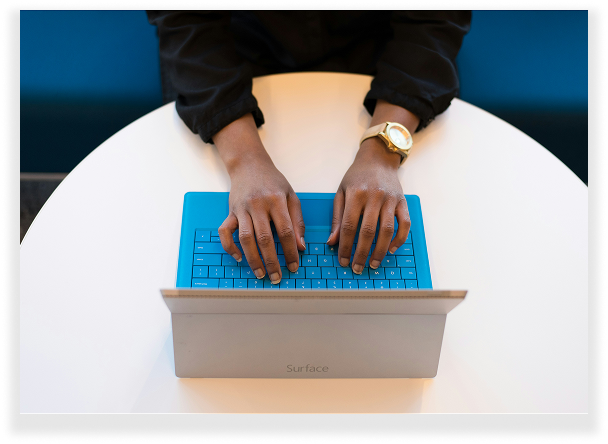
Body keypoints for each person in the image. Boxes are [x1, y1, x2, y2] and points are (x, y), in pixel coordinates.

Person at [147, 11, 471, 285]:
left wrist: (381, 154)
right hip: (231, 59)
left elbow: (435, 18)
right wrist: (245, 160)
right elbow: (186, 19)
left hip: (385, 58)